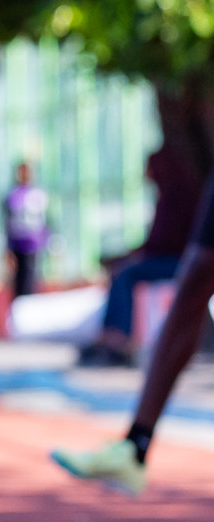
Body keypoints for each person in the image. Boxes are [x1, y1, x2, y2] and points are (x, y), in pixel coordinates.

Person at [52, 165, 214, 495]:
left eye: (155, 162)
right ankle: (135, 446)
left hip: (167, 256)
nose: (148, 168)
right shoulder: (169, 195)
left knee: (194, 273)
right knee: (195, 276)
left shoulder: (179, 193)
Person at [76, 145, 202, 367]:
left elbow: (163, 244)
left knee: (126, 274)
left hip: (181, 263)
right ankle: (110, 334)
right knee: (122, 271)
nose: (147, 173)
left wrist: (129, 258)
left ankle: (118, 339)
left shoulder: (176, 198)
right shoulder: (167, 195)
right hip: (172, 258)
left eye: (150, 167)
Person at [4, 161, 48, 299]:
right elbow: (8, 222)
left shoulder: (37, 194)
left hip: (33, 244)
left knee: (32, 279)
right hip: (17, 244)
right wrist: (8, 248)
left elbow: (44, 221)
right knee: (18, 282)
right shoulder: (12, 195)